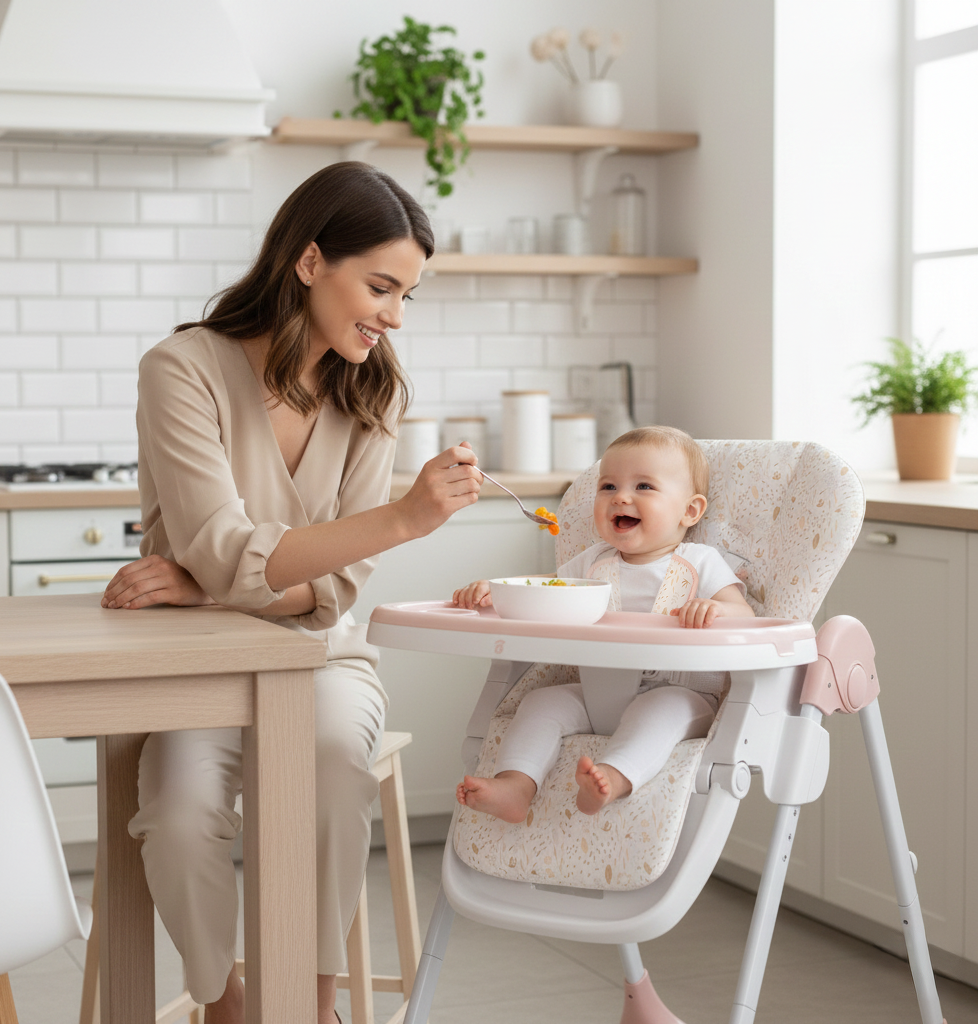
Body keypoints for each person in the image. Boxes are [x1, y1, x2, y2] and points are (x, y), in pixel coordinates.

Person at [99, 161, 482, 1024]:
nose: (391, 316)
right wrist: (400, 520)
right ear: (310, 262)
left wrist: (204, 586)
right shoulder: (182, 370)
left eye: (405, 297)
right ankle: (225, 1001)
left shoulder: (370, 394)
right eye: (380, 286)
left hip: (321, 657)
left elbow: (329, 590)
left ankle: (310, 1005)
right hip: (196, 666)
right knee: (178, 810)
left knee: (332, 754)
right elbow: (234, 552)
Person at [452, 425, 754, 822]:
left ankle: (612, 777)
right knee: (541, 703)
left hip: (680, 691)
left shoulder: (700, 561)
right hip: (598, 693)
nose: (621, 497)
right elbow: (546, 594)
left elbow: (745, 616)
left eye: (644, 486)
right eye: (608, 486)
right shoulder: (592, 562)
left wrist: (713, 610)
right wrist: (497, 593)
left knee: (661, 711)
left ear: (690, 511)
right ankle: (516, 785)